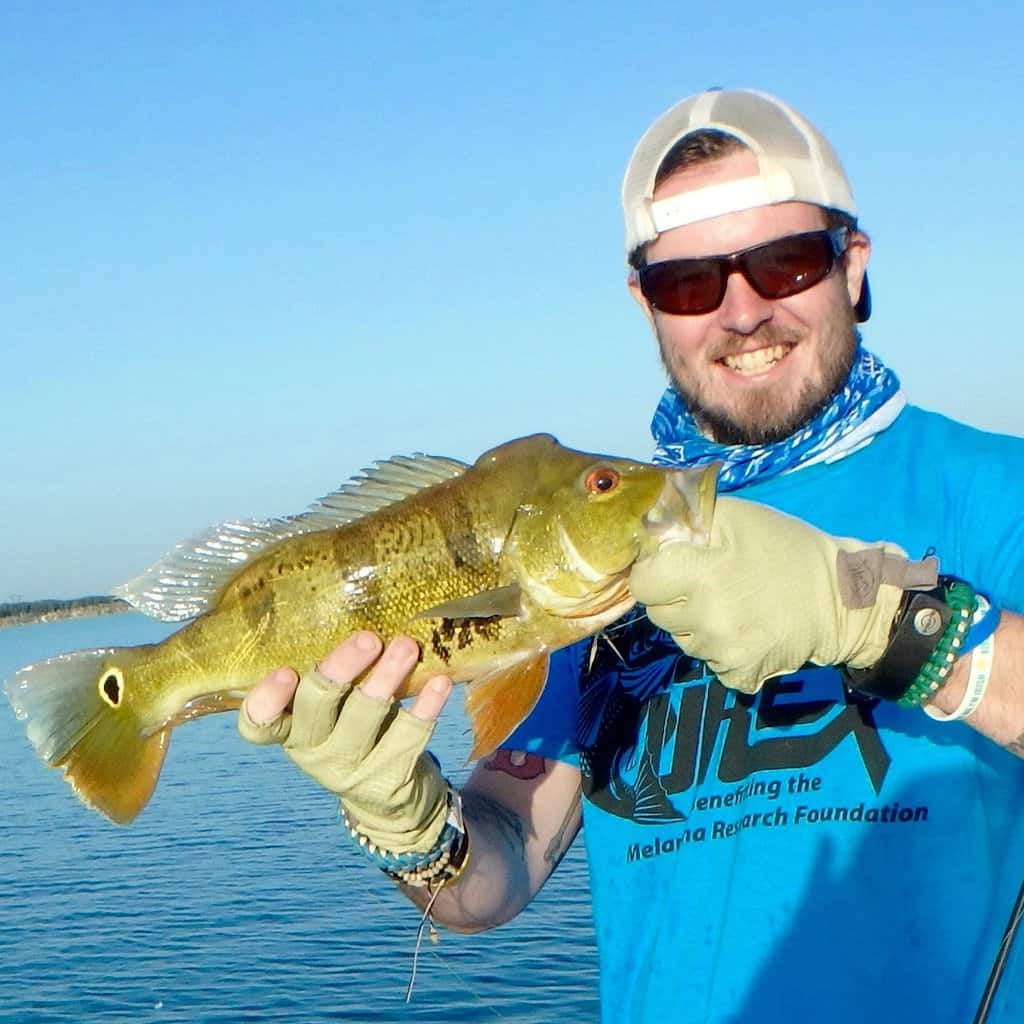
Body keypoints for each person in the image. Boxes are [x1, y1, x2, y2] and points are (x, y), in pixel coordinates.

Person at [239, 89, 1024, 1022]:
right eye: (689, 282)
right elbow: (497, 872)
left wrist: (882, 615)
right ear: (643, 303)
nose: (742, 311)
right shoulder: (591, 548)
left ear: (851, 267)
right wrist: (403, 820)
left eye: (785, 262)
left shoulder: (993, 487)